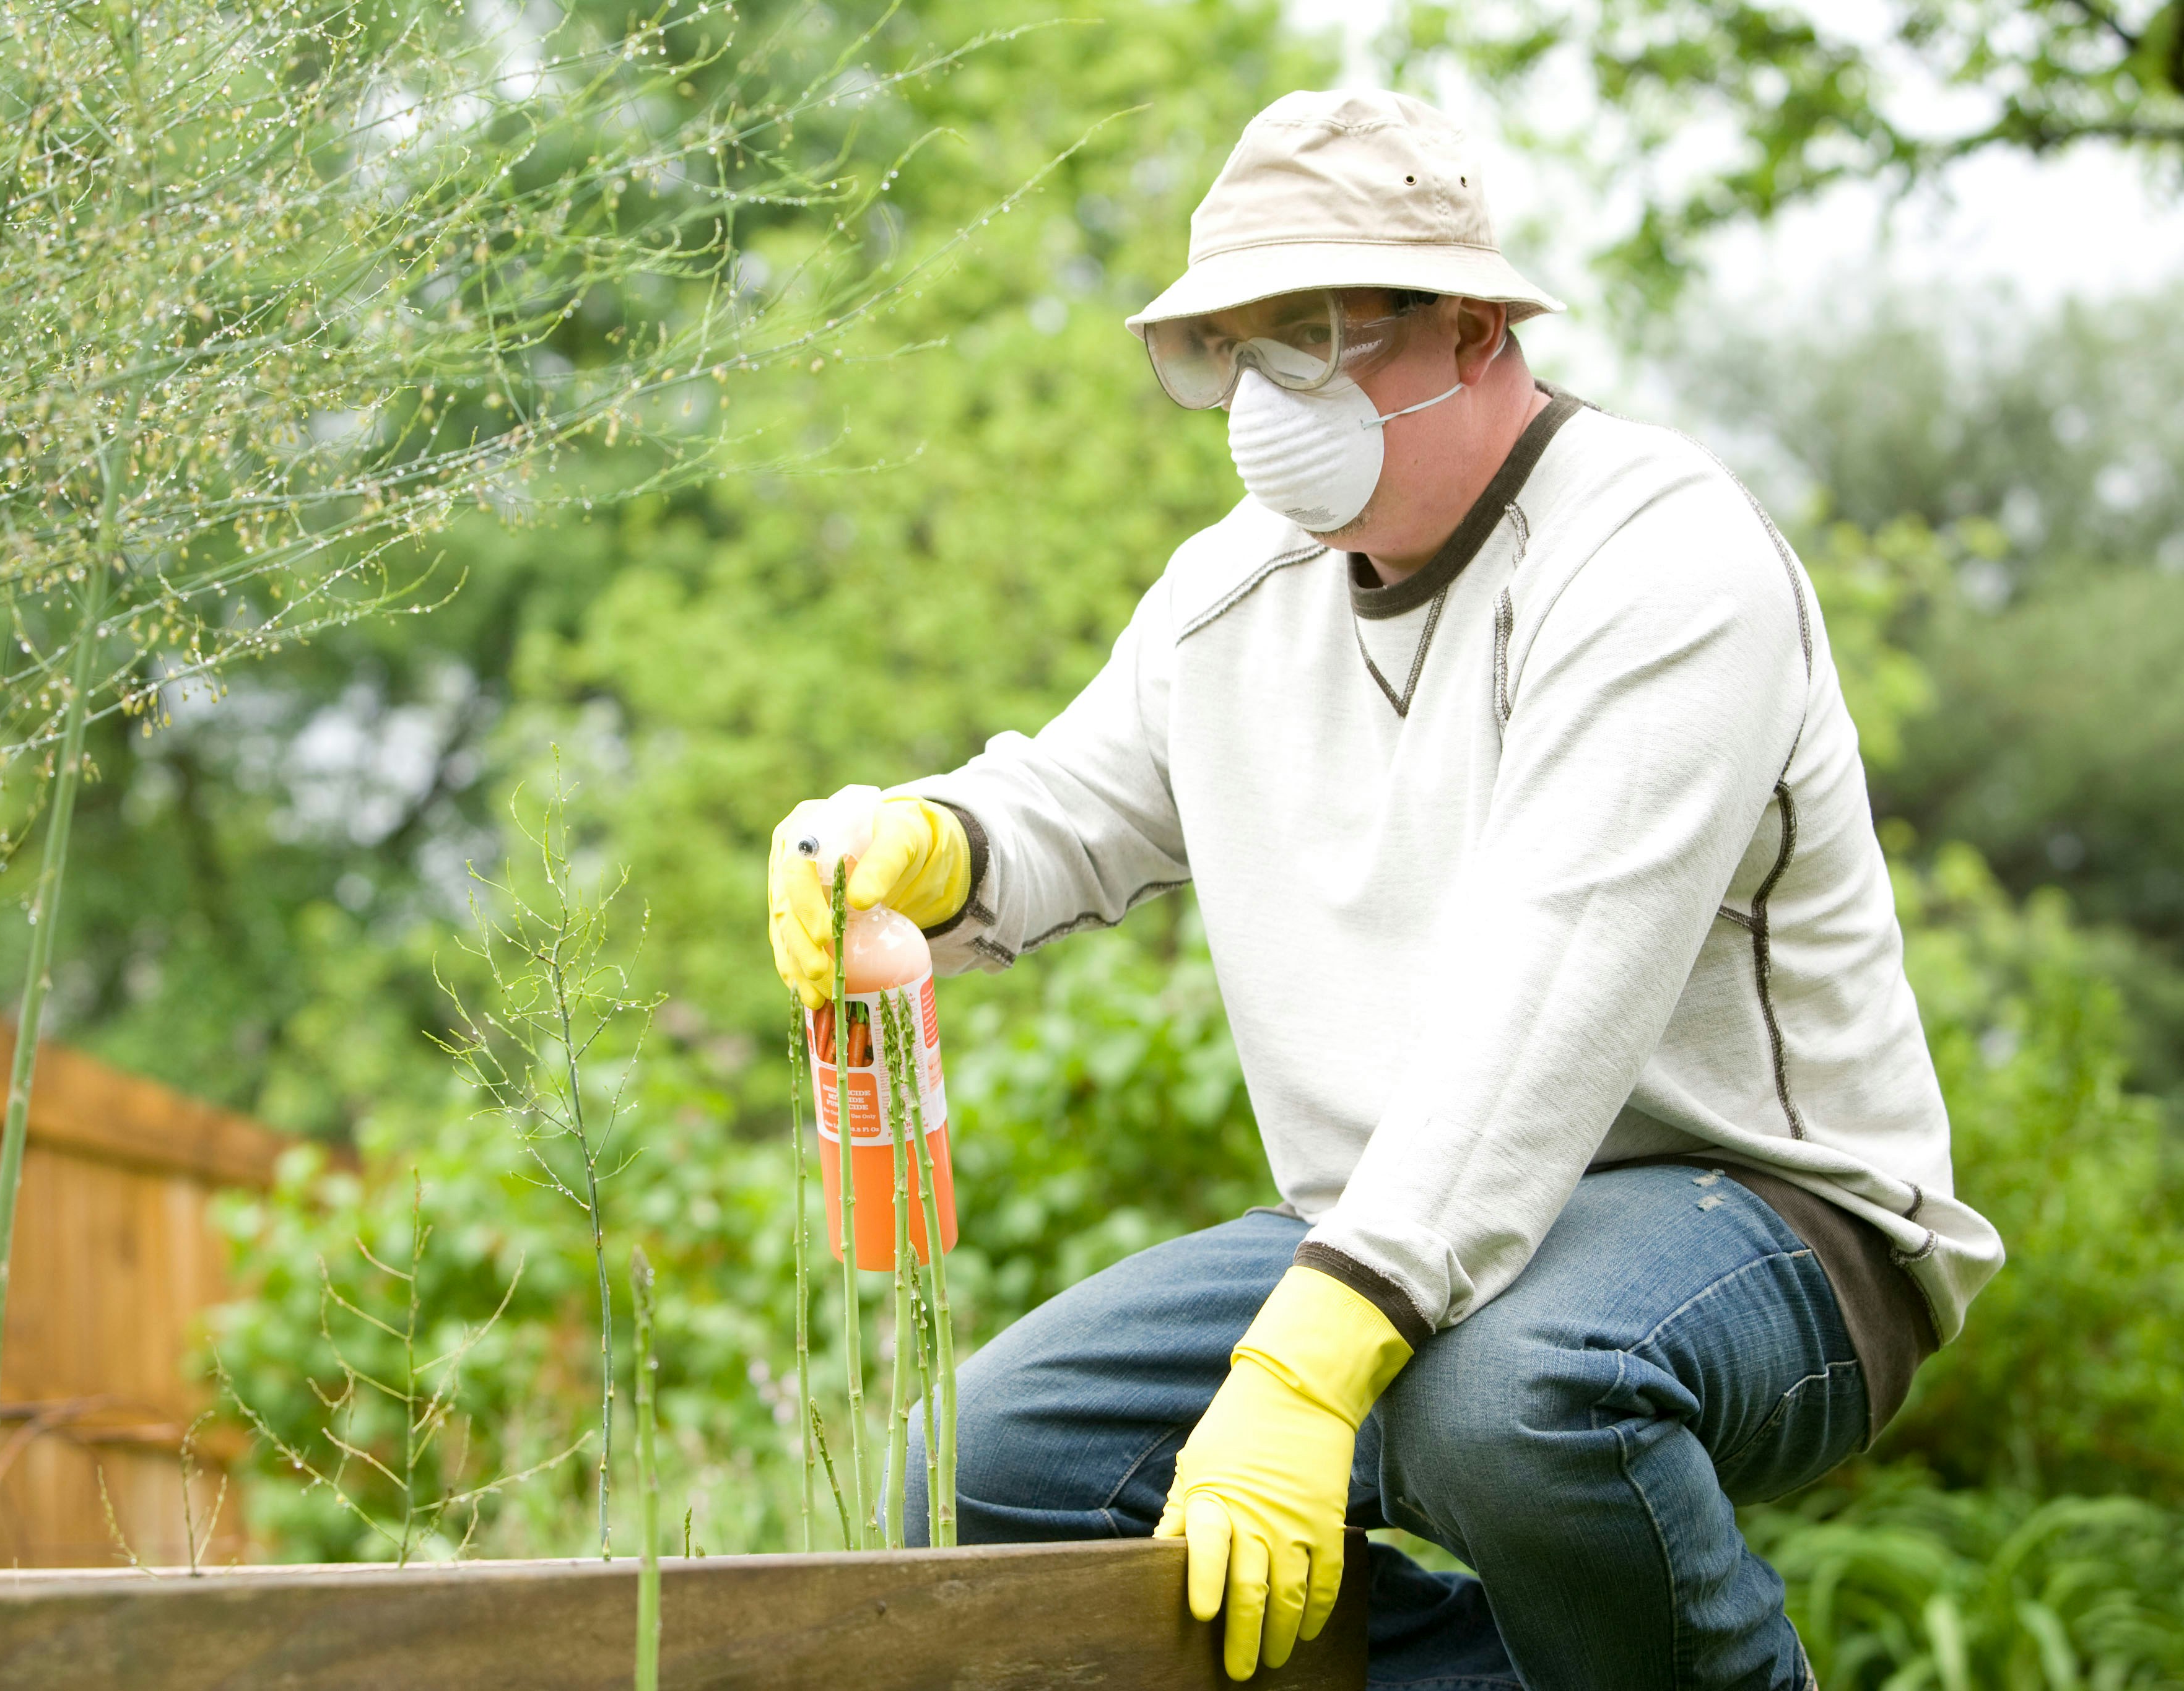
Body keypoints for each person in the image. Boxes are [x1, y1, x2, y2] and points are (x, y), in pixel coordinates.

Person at [764, 89, 2001, 1690]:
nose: (1266, 393)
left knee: (1504, 1397)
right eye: (1231, 346)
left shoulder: (1658, 559)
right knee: (989, 1477)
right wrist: (920, 843)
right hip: (1391, 1233)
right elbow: (1067, 805)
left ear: (1477, 325)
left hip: (1769, 1212)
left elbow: (1552, 1000)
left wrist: (1310, 1355)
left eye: (1319, 332)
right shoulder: (1234, 589)